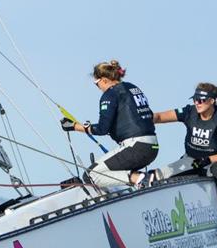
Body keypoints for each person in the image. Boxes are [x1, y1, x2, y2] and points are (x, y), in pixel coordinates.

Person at [151, 82, 217, 235]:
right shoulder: (189, 111)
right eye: (195, 99)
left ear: (213, 101)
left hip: (215, 160)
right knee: (158, 176)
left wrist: (209, 159)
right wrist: (142, 117)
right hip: (191, 159)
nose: (197, 103)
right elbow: (159, 117)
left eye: (201, 100)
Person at [60, 60, 158, 188]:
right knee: (111, 176)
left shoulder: (109, 95)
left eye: (96, 83)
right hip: (152, 147)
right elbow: (149, 115)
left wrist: (74, 126)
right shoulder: (133, 88)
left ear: (104, 80)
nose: (97, 87)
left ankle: (140, 178)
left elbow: (102, 129)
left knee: (90, 175)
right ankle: (141, 181)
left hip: (135, 147)